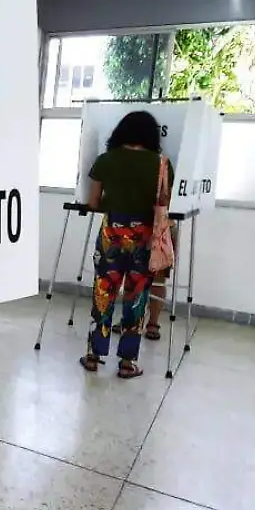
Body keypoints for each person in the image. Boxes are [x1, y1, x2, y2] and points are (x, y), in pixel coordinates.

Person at [81, 110, 173, 379]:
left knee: (103, 292)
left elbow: (94, 202)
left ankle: (93, 356)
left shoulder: (106, 160)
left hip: (111, 235)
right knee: (136, 298)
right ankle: (126, 362)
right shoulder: (161, 164)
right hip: (144, 239)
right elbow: (164, 205)